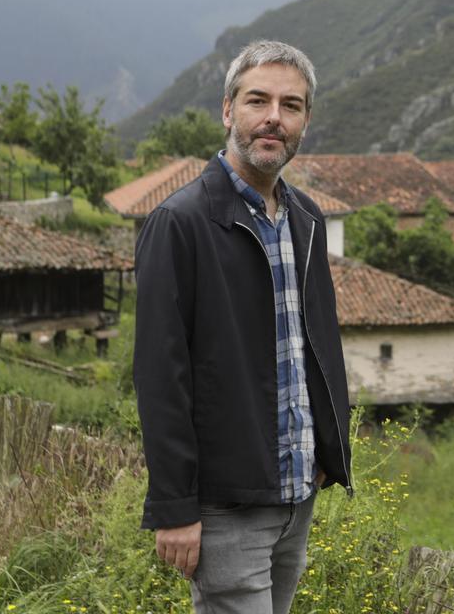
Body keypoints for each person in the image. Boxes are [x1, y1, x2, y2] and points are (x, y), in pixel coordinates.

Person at [133, 40, 352, 613]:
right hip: (227, 505)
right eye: (258, 100)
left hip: (297, 497)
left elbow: (317, 343)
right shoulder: (179, 223)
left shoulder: (305, 218)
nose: (274, 117)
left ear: (305, 120)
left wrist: (329, 449)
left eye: (292, 105)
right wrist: (175, 506)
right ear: (228, 110)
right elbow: (161, 378)